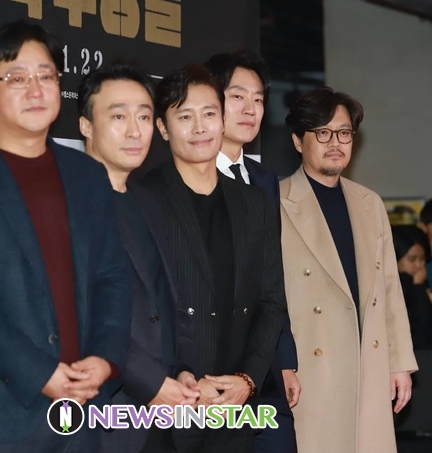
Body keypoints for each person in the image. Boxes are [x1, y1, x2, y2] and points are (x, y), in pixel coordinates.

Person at [0, 21, 131, 453]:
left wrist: (105, 360)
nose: (35, 90)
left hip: (82, 411)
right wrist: (38, 373)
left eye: (46, 76)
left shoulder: (88, 176)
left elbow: (113, 276)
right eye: (16, 78)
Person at [141, 63, 287, 453]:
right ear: (162, 128)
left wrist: (248, 379)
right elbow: (138, 310)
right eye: (184, 116)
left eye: (209, 114)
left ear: (222, 121)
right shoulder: (142, 199)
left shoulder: (254, 202)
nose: (200, 127)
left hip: (234, 408)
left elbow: (271, 301)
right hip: (169, 407)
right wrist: (180, 379)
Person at [279, 86, 418, 453]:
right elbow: (266, 295)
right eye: (322, 133)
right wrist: (279, 363)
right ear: (298, 141)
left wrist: (400, 363)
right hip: (310, 369)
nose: (335, 143)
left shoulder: (369, 202)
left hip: (368, 364)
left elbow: (389, 289)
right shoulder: (275, 202)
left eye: (343, 133)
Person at [78, 63, 199, 453]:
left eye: (144, 117)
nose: (135, 130)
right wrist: (151, 382)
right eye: (118, 117)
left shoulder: (149, 200)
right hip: (104, 415)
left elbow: (170, 297)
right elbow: (81, 312)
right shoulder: (69, 203)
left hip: (164, 414)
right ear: (85, 125)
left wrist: (184, 369)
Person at [204, 49, 298, 453]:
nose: (250, 109)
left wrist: (285, 360)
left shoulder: (264, 179)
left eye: (258, 99)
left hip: (265, 371)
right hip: (210, 371)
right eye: (237, 96)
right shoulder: (189, 177)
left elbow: (272, 279)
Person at [392, 225, 432, 349]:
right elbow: (417, 329)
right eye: (412, 259)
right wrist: (418, 286)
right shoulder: (391, 288)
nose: (419, 265)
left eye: (422, 259)